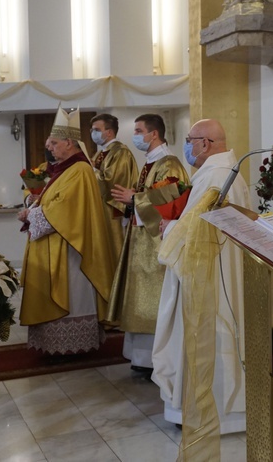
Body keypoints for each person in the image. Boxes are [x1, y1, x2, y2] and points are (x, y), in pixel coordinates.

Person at [152, 119, 250, 440]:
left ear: (205, 144)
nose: (187, 147)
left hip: (209, 273)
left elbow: (190, 234)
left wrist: (168, 228)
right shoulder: (228, 172)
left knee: (209, 335)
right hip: (221, 267)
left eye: (190, 140)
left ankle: (210, 411)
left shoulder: (215, 177)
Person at [18, 107, 116, 354]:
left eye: (54, 143)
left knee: (71, 295)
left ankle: (73, 347)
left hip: (70, 247)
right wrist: (32, 203)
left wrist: (32, 214)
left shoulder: (80, 169)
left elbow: (66, 209)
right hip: (54, 244)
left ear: (69, 143)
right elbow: (49, 200)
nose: (49, 147)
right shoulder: (60, 168)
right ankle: (53, 345)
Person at [108, 113, 189, 372]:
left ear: (154, 134)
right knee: (138, 301)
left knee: (152, 302)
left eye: (139, 131)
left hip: (156, 244)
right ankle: (140, 359)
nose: (136, 136)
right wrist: (132, 202)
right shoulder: (150, 163)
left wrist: (136, 199)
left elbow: (174, 198)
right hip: (141, 241)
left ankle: (155, 360)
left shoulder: (170, 163)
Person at [90, 113, 139, 257]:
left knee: (113, 251)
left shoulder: (120, 152)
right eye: (92, 130)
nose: (93, 133)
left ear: (109, 132)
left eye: (97, 130)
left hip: (112, 211)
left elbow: (112, 182)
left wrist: (90, 170)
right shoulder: (101, 153)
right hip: (100, 209)